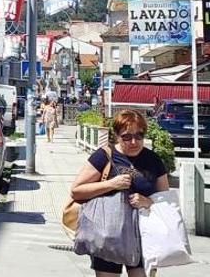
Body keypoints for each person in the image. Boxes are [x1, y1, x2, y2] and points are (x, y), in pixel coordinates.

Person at [70, 110, 169, 277]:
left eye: (139, 136)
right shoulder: (104, 156)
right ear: (116, 135)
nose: (133, 141)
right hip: (107, 232)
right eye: (126, 136)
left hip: (143, 235)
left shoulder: (153, 160)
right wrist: (110, 184)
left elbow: (166, 200)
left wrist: (148, 202)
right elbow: (76, 191)